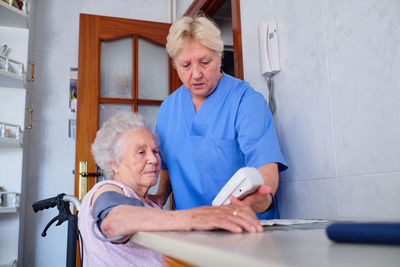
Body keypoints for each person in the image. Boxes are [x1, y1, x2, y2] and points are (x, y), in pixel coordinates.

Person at [78, 112, 262, 267]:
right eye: (141, 152)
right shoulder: (106, 190)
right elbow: (113, 222)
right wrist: (197, 217)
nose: (153, 159)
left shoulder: (148, 203)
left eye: (155, 151)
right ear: (114, 164)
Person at [153, 14, 287, 219]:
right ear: (175, 64)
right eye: (186, 65)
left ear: (219, 57)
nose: (196, 74)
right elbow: (166, 165)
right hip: (193, 229)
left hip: (244, 226)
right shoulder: (168, 109)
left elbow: (266, 167)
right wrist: (159, 197)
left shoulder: (246, 101)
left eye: (205, 62)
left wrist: (262, 199)